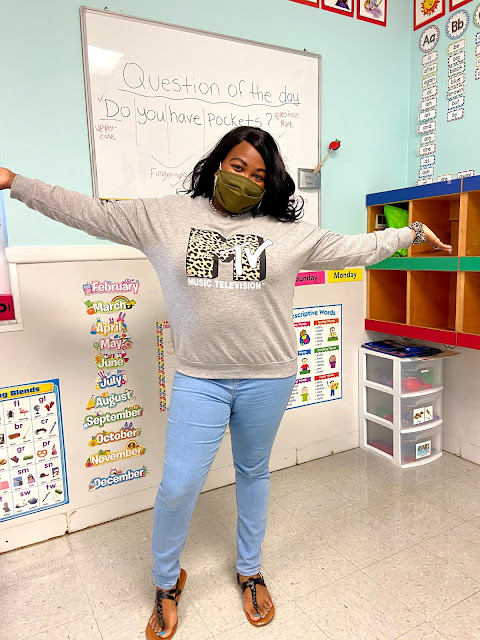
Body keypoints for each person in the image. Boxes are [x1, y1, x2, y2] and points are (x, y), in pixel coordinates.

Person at [0, 126, 452, 640]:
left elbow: (357, 248)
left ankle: (250, 571)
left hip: (270, 376)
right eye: (238, 166)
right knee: (178, 486)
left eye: (259, 175)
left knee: (253, 472)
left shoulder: (288, 233)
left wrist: (412, 232)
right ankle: (166, 582)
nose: (246, 179)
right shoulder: (164, 218)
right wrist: (15, 182)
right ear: (218, 164)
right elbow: (88, 212)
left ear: (270, 183)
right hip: (200, 378)